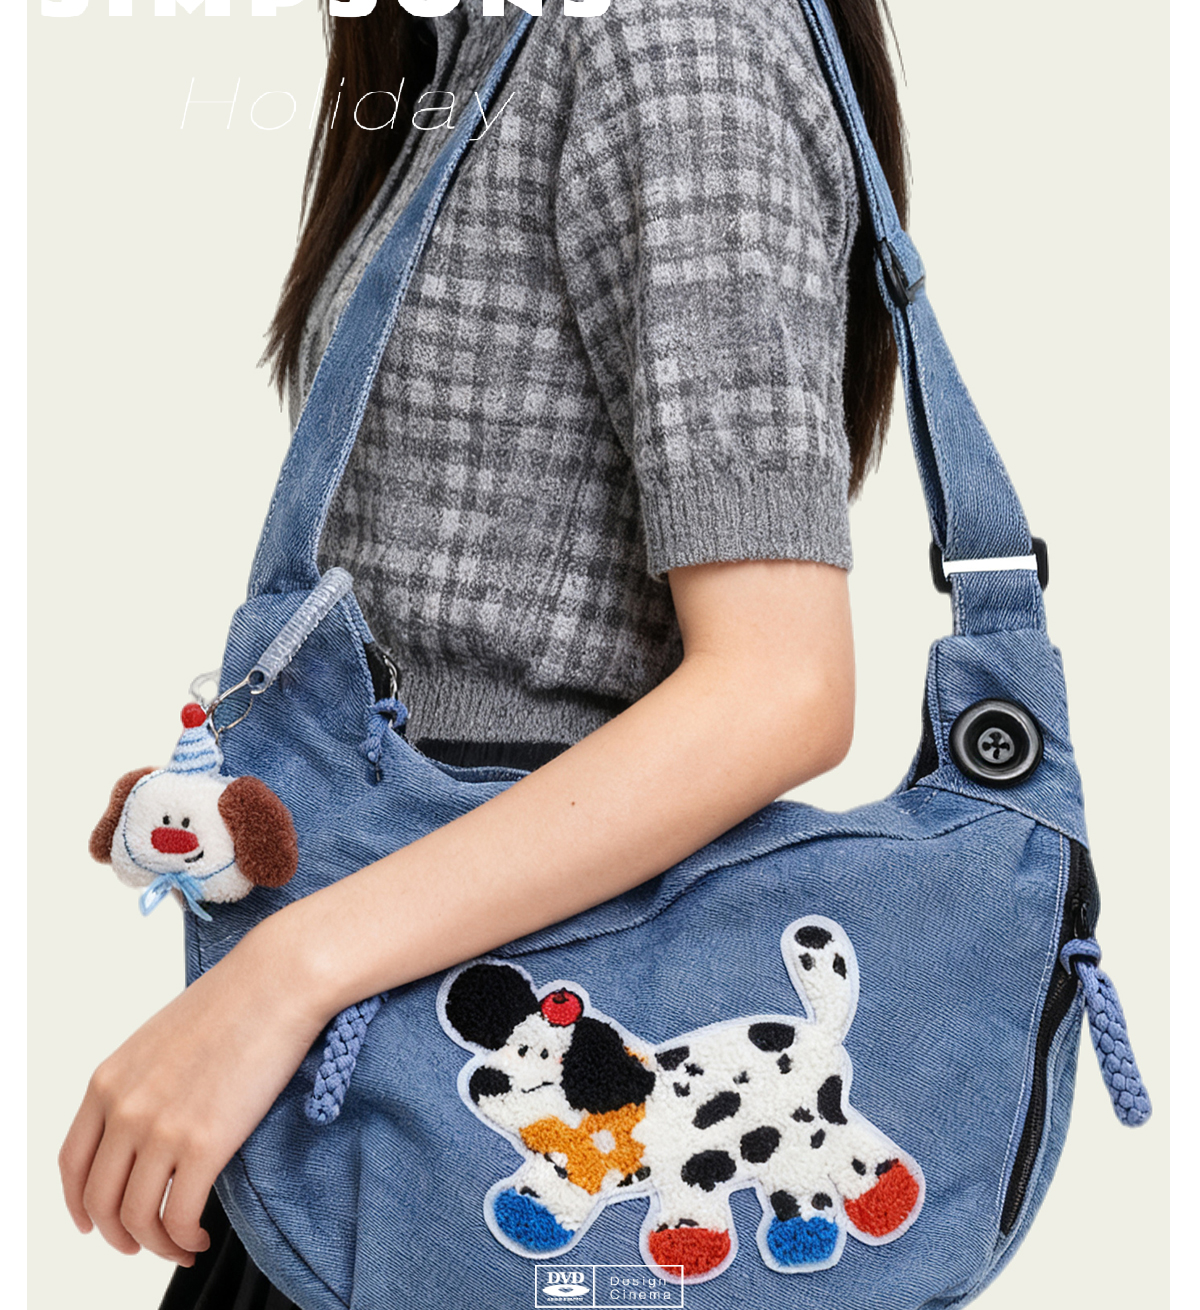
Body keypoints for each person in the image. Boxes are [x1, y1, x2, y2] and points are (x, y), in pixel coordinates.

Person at [58, 1, 908, 1305]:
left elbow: (780, 687)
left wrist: (284, 976)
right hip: (392, 1048)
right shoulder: (483, 39)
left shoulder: (670, 29)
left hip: (454, 1036)